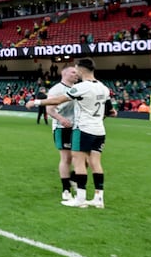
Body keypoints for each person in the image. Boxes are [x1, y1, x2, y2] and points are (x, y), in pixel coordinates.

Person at [26, 58, 114, 208]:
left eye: (76, 69)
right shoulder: (103, 87)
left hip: (83, 128)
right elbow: (110, 110)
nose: (76, 72)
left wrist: (36, 102)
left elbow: (58, 100)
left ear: (81, 69)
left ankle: (80, 198)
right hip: (99, 130)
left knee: (79, 162)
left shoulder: (82, 87)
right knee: (95, 163)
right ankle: (99, 198)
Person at [45, 66, 80, 201]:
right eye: (73, 72)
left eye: (77, 73)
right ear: (64, 73)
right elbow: (50, 109)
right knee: (66, 158)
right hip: (62, 127)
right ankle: (66, 189)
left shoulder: (79, 88)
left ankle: (73, 178)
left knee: (84, 157)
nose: (76, 74)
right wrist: (61, 119)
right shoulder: (56, 90)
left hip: (77, 127)